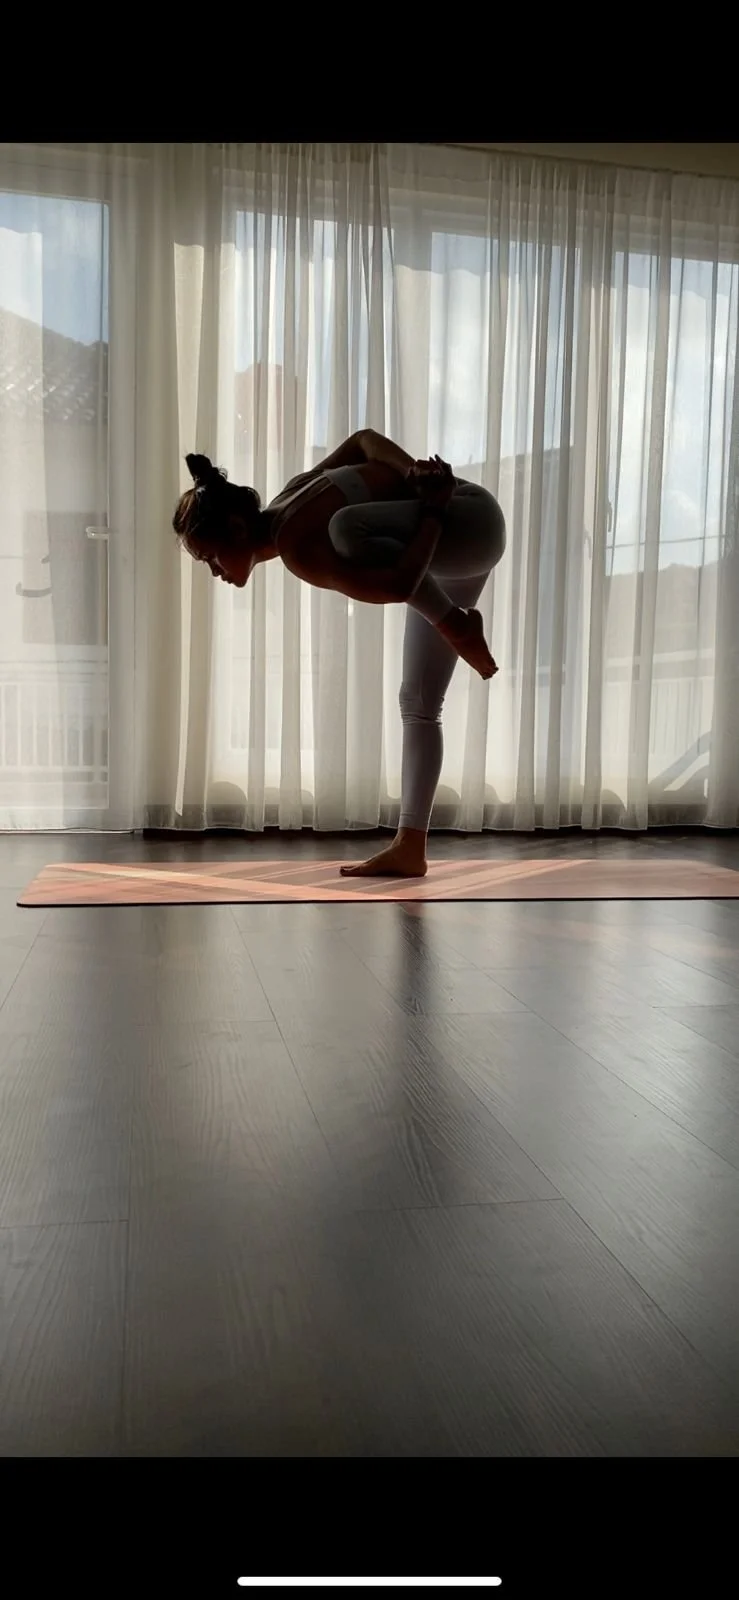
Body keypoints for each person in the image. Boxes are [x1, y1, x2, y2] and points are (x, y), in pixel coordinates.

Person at [173, 429, 506, 876]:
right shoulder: (291, 495)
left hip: (462, 524)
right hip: (459, 531)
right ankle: (411, 848)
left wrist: (428, 497)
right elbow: (364, 441)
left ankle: (456, 625)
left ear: (236, 528)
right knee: (419, 702)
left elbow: (400, 584)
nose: (213, 571)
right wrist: (416, 481)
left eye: (209, 557)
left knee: (346, 529)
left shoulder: (295, 543)